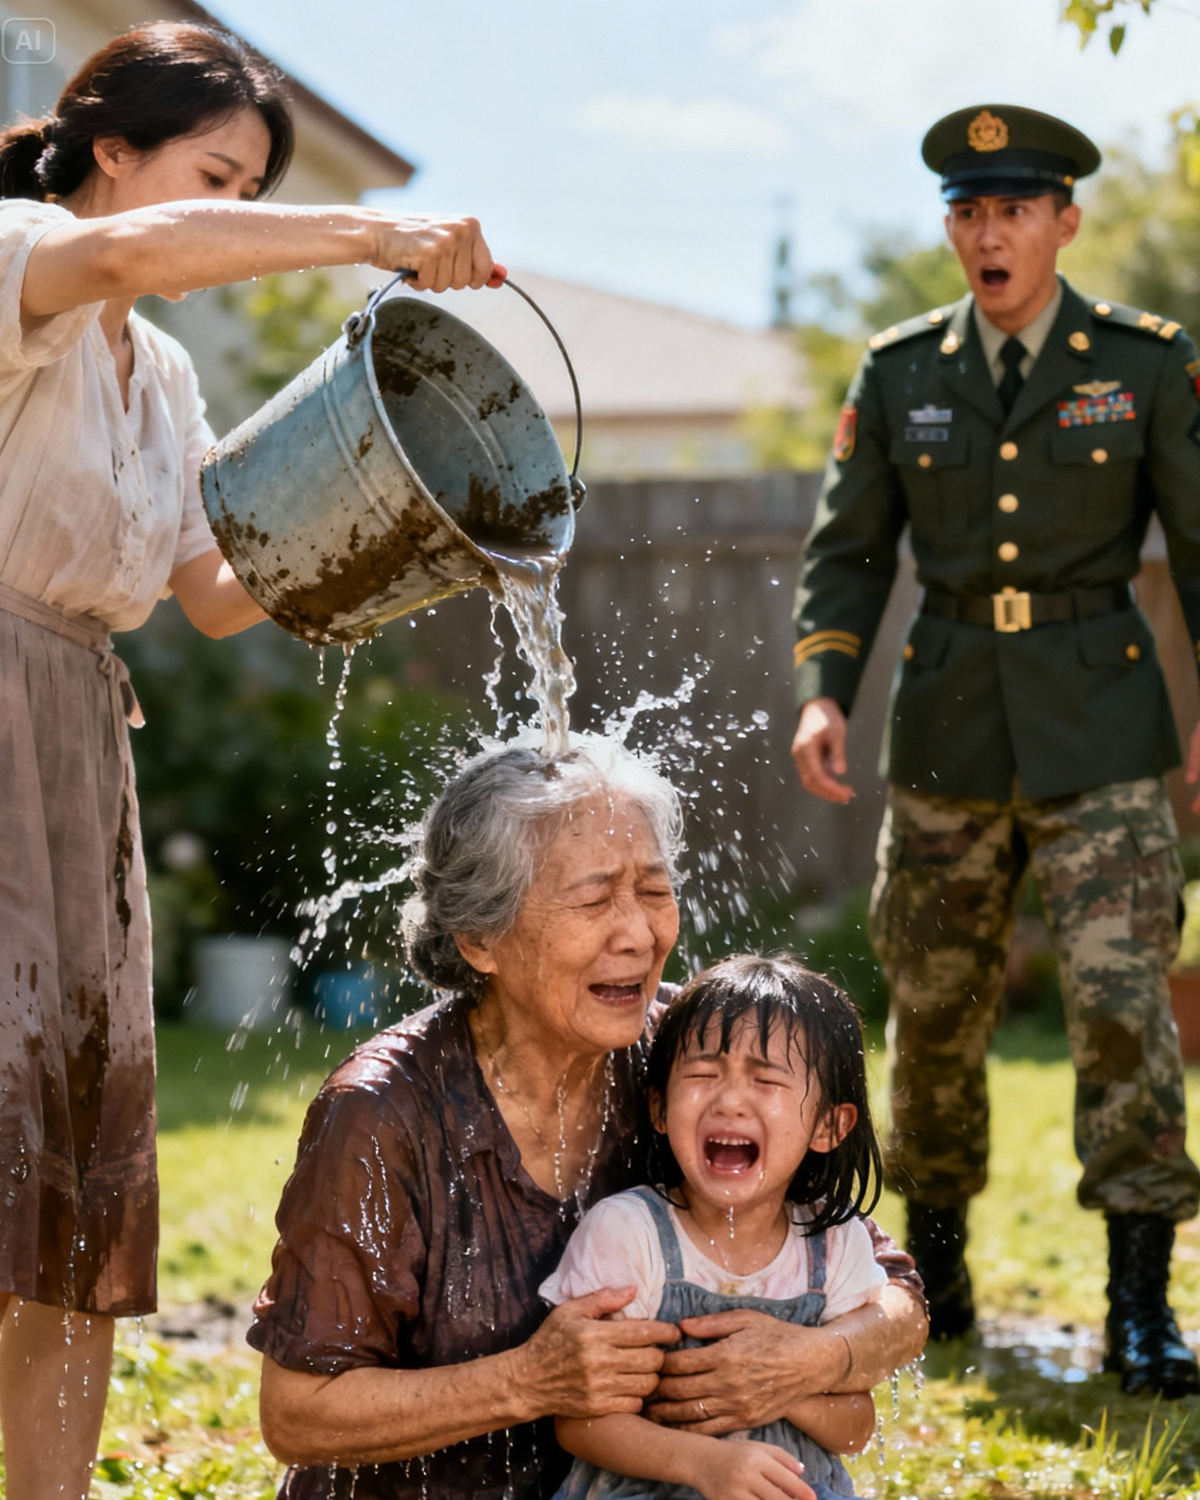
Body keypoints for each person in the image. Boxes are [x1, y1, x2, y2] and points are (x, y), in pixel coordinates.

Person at [0, 20, 496, 1499]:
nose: (235, 213)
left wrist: (403, 530)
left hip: (77, 734)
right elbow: (127, 252)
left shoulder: (159, 373)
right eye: (218, 179)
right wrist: (374, 235)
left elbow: (214, 594)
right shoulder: (23, 251)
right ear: (112, 151)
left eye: (251, 191)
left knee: (74, 1184)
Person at [790, 103, 1200, 1396]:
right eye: (967, 212)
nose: (988, 234)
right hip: (949, 730)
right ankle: (939, 1282)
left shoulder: (1143, 362)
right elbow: (848, 553)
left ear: (1064, 223)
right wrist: (823, 693)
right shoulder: (899, 371)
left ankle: (1140, 1309)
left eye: (1014, 209)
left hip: (1105, 734)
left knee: (1127, 1016)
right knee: (932, 1016)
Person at [249, 740, 928, 1500]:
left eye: (654, 890)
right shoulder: (383, 1113)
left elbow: (896, 1300)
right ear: (480, 938)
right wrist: (530, 1380)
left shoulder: (691, 1055)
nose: (639, 934)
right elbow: (297, 1413)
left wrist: (809, 1361)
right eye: (594, 899)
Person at [544, 954, 897, 1500]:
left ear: (829, 1125)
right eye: (703, 1074)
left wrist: (781, 1385)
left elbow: (855, 1428)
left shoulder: (833, 1243)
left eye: (766, 1079)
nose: (730, 1101)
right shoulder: (628, 1234)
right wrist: (705, 1464)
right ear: (660, 1108)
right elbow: (579, 1421)